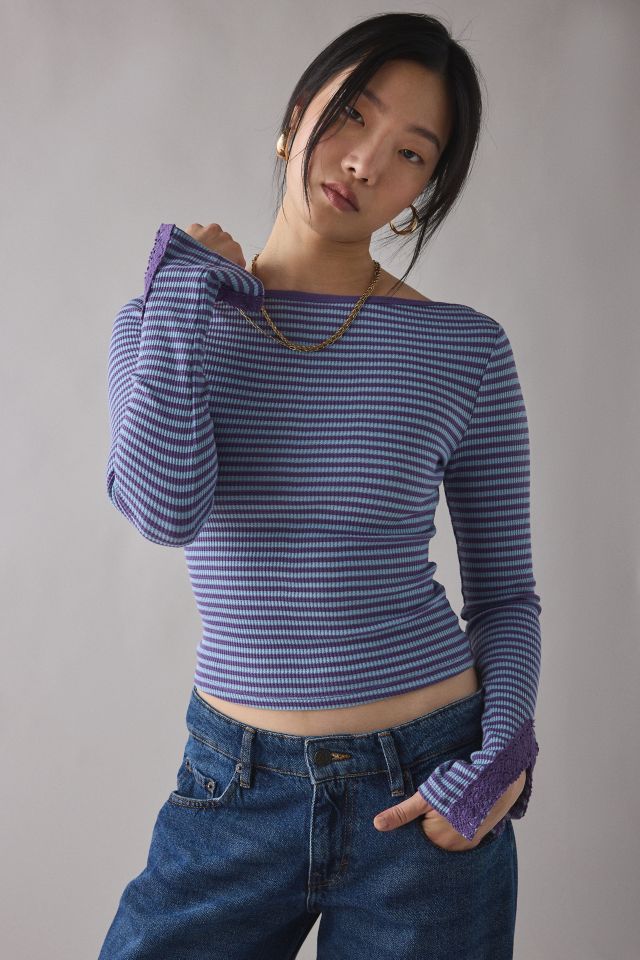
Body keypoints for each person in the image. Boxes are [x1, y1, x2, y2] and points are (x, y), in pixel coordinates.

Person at [98, 11, 541, 960]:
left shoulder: (463, 349)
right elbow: (163, 510)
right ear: (298, 114)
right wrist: (185, 292)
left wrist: (500, 752)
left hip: (424, 786)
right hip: (231, 789)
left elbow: (505, 594)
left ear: (422, 191)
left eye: (411, 153)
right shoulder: (166, 317)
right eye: (352, 115)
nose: (366, 162)